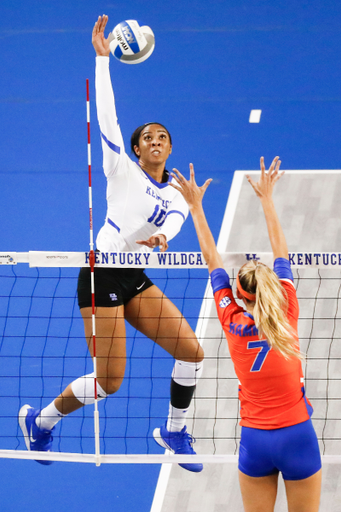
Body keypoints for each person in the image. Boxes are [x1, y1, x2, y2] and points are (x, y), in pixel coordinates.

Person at [18, 15, 204, 473]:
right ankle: (41, 422)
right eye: (147, 137)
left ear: (169, 149)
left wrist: (164, 236)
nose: (155, 140)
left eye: (163, 137)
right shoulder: (121, 169)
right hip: (101, 273)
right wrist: (103, 62)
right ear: (137, 149)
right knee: (110, 381)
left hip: (134, 276)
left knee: (192, 352)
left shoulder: (179, 189)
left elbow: (176, 220)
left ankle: (174, 431)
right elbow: (108, 118)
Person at [170, 158, 322, 511]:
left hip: (255, 441)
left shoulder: (230, 318)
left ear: (239, 295)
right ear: (272, 288)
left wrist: (195, 206)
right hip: (298, 436)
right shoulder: (287, 309)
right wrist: (267, 198)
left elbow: (212, 261)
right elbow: (281, 251)